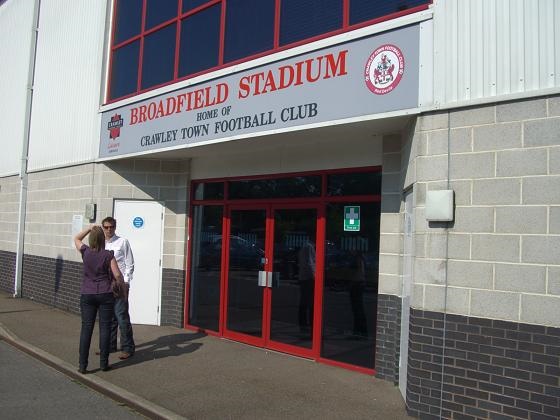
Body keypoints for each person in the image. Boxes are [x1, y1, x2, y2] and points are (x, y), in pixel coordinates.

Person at [74, 225, 124, 373]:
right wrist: (121, 289)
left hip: (87, 294)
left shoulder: (86, 252)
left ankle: (82, 365)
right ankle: (103, 364)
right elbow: (118, 275)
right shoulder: (108, 255)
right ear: (103, 239)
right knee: (105, 328)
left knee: (86, 329)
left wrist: (89, 229)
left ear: (91, 239)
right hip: (105, 294)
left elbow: (76, 238)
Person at [102, 216, 135, 360]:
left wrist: (126, 282)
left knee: (121, 316)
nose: (109, 230)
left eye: (111, 227)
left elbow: (130, 263)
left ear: (115, 227)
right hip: (105, 284)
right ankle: (110, 345)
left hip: (120, 284)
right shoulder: (100, 244)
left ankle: (128, 347)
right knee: (109, 316)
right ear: (103, 228)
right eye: (106, 227)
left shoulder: (122, 242)